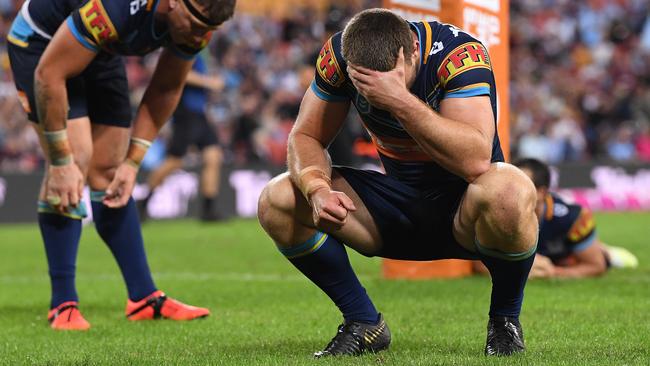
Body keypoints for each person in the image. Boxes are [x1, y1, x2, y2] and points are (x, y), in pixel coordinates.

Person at [257, 9, 539, 357]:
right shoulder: (338, 57)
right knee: (278, 198)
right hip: (396, 206)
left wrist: (399, 99)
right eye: (366, 82)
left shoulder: (459, 54)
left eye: (390, 78)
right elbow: (305, 137)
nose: (376, 90)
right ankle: (363, 322)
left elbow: (476, 160)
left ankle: (504, 321)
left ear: (413, 52)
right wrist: (316, 188)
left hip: (466, 209)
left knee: (511, 187)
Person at [7, 0, 235, 330]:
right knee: (76, 159)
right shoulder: (117, 8)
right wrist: (59, 160)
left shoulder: (198, 22)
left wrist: (133, 163)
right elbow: (50, 73)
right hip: (41, 45)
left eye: (209, 30)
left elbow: (166, 87)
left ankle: (143, 297)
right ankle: (63, 304)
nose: (200, 35)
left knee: (111, 171)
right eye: (197, 24)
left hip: (99, 47)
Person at [512, 158, 638, 278]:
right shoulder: (497, 213)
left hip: (566, 255)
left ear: (542, 192)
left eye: (522, 186)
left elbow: (596, 266)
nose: (512, 192)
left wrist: (553, 272)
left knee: (578, 258)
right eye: (511, 185)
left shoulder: (571, 218)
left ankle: (607, 252)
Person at [140, 55, 224, 222]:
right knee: (174, 161)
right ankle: (142, 203)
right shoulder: (187, 48)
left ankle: (208, 210)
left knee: (213, 157)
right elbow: (181, 74)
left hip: (199, 115)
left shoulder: (199, 53)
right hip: (185, 114)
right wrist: (210, 82)